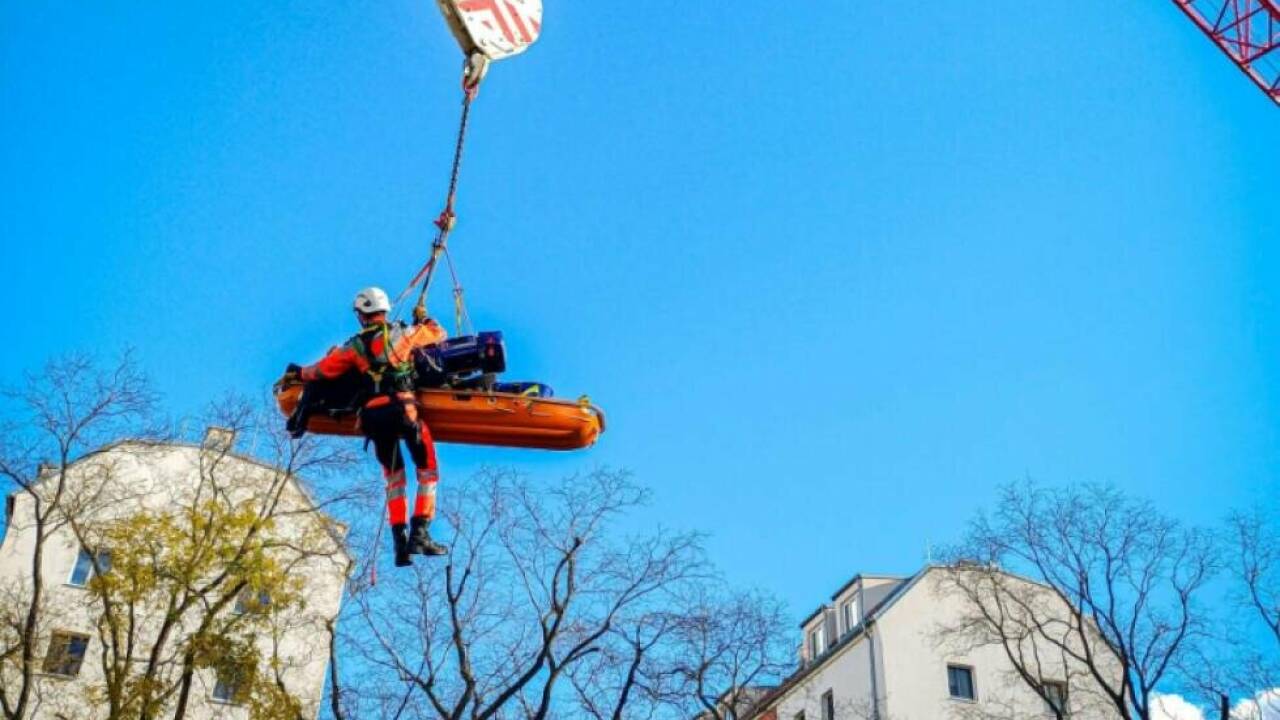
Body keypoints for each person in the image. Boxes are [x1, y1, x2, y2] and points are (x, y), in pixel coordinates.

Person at [291, 287, 449, 567]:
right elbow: (439, 333)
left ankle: (400, 544)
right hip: (403, 410)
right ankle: (420, 534)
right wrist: (424, 320)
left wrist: (299, 372)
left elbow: (323, 369)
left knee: (394, 480)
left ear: (362, 315)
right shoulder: (404, 333)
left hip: (373, 417)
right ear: (385, 310)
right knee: (427, 470)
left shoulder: (354, 346)